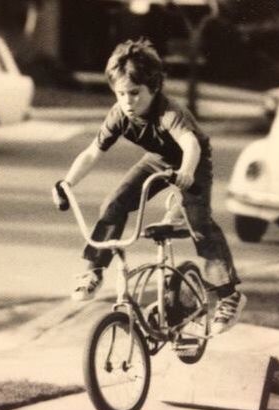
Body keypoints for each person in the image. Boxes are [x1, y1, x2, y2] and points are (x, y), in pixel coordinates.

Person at [53, 38, 246, 334]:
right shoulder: (119, 114)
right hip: (157, 159)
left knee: (199, 224)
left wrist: (186, 172)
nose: (128, 102)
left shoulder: (168, 111)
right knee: (114, 204)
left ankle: (229, 296)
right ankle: (94, 270)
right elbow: (93, 151)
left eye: (135, 93)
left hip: (192, 163)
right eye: (120, 94)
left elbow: (190, 144)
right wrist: (67, 182)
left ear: (153, 88)